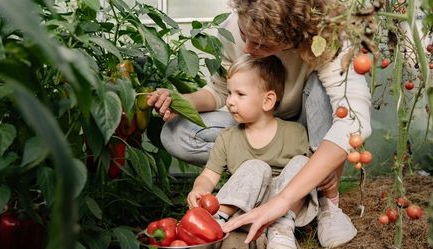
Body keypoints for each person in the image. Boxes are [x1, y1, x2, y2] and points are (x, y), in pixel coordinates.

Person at [147, 0, 371, 247]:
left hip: (307, 134)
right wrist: (181, 101)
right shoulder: (238, 25)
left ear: (295, 37)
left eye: (263, 45)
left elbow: (353, 120)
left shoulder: (329, 38)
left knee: (323, 92)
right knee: (177, 132)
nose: (248, 49)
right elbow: (219, 90)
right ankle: (257, 182)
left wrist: (282, 201)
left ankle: (324, 197)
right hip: (257, 124)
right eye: (245, 35)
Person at [187, 54, 317, 249]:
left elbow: (310, 180)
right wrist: (199, 189)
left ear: (267, 100)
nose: (230, 101)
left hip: (283, 207)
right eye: (229, 93)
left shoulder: (294, 133)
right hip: (243, 207)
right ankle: (219, 221)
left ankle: (281, 228)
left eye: (240, 94)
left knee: (304, 164)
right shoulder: (227, 137)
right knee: (256, 167)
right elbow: (208, 176)